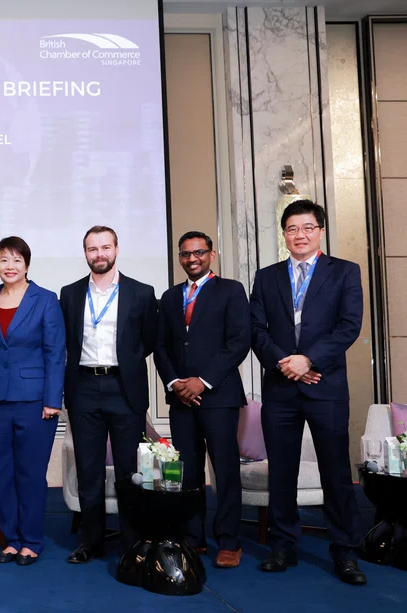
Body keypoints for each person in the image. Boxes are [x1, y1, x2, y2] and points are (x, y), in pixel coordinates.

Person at [249, 199, 366, 585]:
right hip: (281, 389)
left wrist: (309, 361)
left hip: (326, 387)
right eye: (292, 229)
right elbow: (256, 330)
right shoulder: (266, 277)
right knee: (282, 472)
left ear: (321, 230)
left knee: (335, 471)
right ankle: (283, 545)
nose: (299, 235)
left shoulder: (345, 272)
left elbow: (349, 326)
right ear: (284, 235)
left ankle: (345, 551)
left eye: (307, 228)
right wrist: (286, 363)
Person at [59, 225, 158, 563]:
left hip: (123, 387)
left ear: (116, 249)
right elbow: (66, 343)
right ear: (85, 253)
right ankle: (91, 542)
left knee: (130, 470)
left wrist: (125, 363)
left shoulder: (142, 293)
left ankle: (132, 542)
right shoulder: (69, 294)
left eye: (105, 247)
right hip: (83, 387)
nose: (99, 254)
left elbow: (148, 341)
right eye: (92, 249)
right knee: (89, 471)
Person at [153, 231, 250, 568]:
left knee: (225, 470)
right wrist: (175, 382)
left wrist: (203, 381)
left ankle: (228, 541)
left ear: (212, 254)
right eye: (185, 254)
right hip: (180, 399)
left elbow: (239, 341)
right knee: (188, 472)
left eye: (199, 252)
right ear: (179, 258)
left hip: (219, 396)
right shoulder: (168, 297)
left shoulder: (231, 291)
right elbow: (160, 346)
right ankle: (194, 537)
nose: (192, 259)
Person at [0, 237, 64, 566]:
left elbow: (55, 353)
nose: (10, 266)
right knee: (4, 472)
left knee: (31, 472)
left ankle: (32, 540)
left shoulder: (46, 300)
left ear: (27, 264)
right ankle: (10, 540)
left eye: (16, 260)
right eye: (3, 260)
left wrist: (53, 399)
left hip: (35, 401)